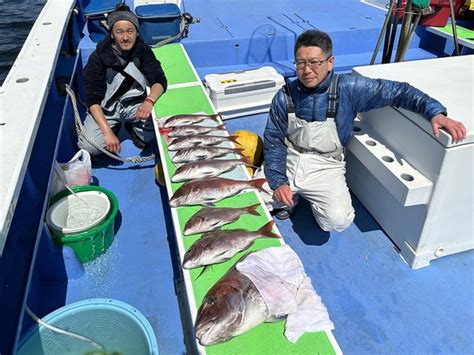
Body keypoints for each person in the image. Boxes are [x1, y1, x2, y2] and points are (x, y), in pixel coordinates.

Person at [257, 30, 466, 232]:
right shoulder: (284, 96)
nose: (306, 70)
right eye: (300, 63)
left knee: (337, 221)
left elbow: (400, 91)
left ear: (330, 62)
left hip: (327, 165)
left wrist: (435, 113)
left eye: (314, 62)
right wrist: (279, 181)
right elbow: (274, 140)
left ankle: (297, 197)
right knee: (251, 201)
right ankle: (289, 198)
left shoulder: (349, 88)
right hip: (290, 158)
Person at [78, 4, 167, 155]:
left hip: (135, 105)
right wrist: (107, 132)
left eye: (130, 31)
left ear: (137, 32)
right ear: (112, 34)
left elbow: (159, 80)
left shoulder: (143, 51)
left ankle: (135, 129)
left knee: (166, 127)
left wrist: (149, 100)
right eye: (119, 32)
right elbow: (92, 100)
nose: (125, 37)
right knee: (90, 146)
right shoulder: (98, 57)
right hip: (106, 108)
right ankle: (113, 126)